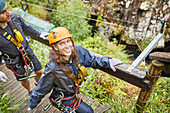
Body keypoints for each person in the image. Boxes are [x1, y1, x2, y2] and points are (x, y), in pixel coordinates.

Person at [29, 27, 123, 112]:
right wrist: (32, 104)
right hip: (64, 98)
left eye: (68, 41)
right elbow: (42, 88)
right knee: (88, 111)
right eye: (62, 43)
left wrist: (108, 62)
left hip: (74, 92)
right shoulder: (53, 68)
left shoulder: (77, 51)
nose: (67, 46)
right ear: (55, 47)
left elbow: (92, 60)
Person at [0, 0, 48, 94]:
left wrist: (40, 34)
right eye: (3, 12)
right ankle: (30, 90)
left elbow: (27, 27)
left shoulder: (14, 17)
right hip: (13, 59)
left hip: (26, 51)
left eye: (7, 10)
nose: (8, 13)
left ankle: (37, 83)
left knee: (39, 71)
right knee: (24, 79)